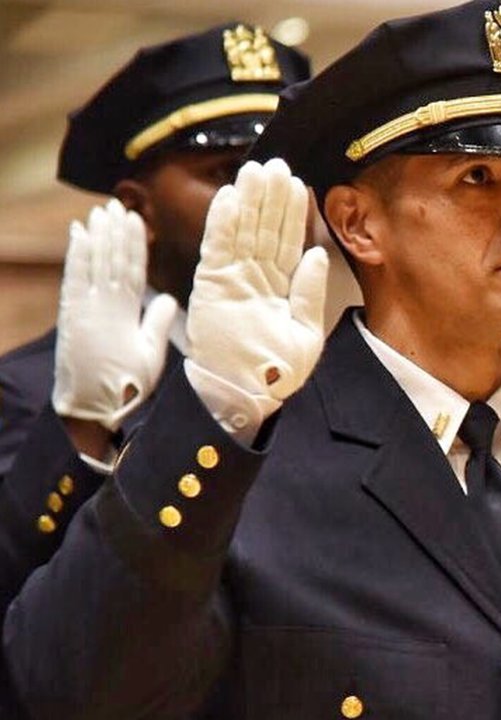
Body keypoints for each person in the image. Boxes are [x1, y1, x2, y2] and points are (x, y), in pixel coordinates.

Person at [4, 3, 501, 718]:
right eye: (477, 178)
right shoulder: (237, 470)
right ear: (358, 223)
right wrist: (215, 410)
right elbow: (70, 690)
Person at [0, 24, 308, 718]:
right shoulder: (33, 388)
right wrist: (81, 427)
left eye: (289, 173)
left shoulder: (341, 378)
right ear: (139, 205)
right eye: (226, 174)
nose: (267, 200)